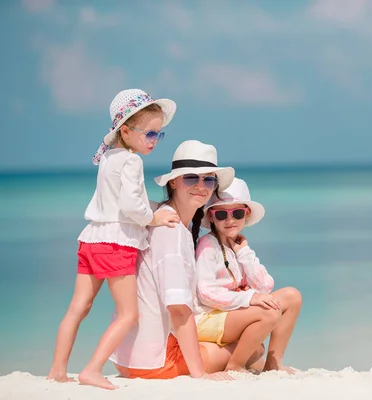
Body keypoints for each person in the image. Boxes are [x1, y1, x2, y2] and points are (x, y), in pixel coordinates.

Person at [46, 89, 179, 390]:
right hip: (116, 242)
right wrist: (154, 218)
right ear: (126, 130)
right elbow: (132, 206)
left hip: (91, 238)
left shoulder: (109, 157)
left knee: (78, 307)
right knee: (129, 315)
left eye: (160, 134)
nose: (154, 140)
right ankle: (92, 369)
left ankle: (57, 369)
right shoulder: (131, 161)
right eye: (150, 133)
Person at [110, 140, 261, 380]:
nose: (201, 186)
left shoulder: (161, 217)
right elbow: (179, 309)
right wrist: (199, 374)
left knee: (246, 344)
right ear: (174, 182)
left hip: (130, 357)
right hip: (155, 362)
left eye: (208, 180)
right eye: (191, 178)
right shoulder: (170, 230)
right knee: (254, 350)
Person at [195, 177, 303, 373]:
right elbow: (205, 293)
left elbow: (265, 286)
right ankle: (234, 366)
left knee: (292, 296)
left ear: (246, 214)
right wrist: (249, 298)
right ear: (211, 217)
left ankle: (273, 363)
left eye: (237, 213)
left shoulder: (238, 246)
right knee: (269, 311)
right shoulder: (207, 246)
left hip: (229, 313)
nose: (230, 220)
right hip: (207, 317)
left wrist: (244, 252)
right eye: (221, 214)